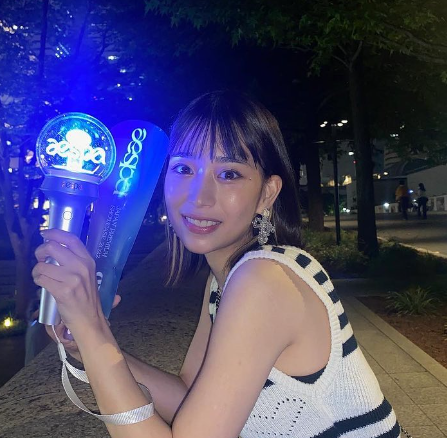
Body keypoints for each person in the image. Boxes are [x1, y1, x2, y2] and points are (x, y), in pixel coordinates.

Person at [33, 91, 401, 438]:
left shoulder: (264, 281)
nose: (199, 197)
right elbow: (187, 396)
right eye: (183, 169)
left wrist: (92, 330)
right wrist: (86, 345)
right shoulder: (228, 278)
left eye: (229, 174)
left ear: (267, 193)